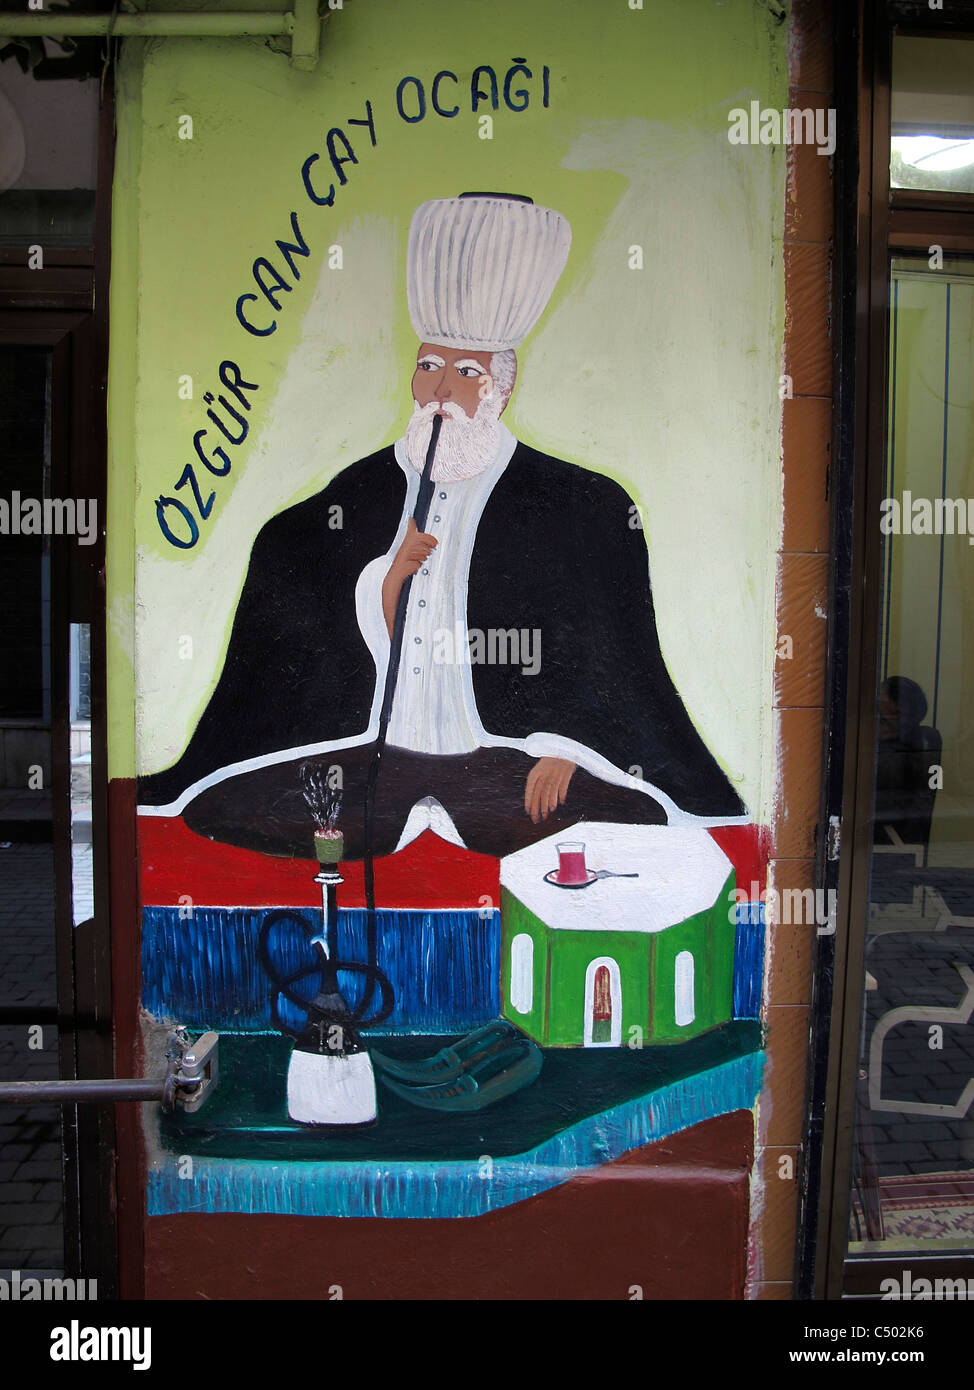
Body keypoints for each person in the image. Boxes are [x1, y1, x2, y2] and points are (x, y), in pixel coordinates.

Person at [138, 194, 747, 857]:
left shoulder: (579, 505)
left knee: (611, 823)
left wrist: (571, 749)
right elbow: (315, 616)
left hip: (502, 758)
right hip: (380, 749)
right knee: (245, 810)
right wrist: (387, 577)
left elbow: (609, 668)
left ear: (501, 390)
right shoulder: (358, 496)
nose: (441, 390)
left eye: (466, 372)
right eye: (428, 366)